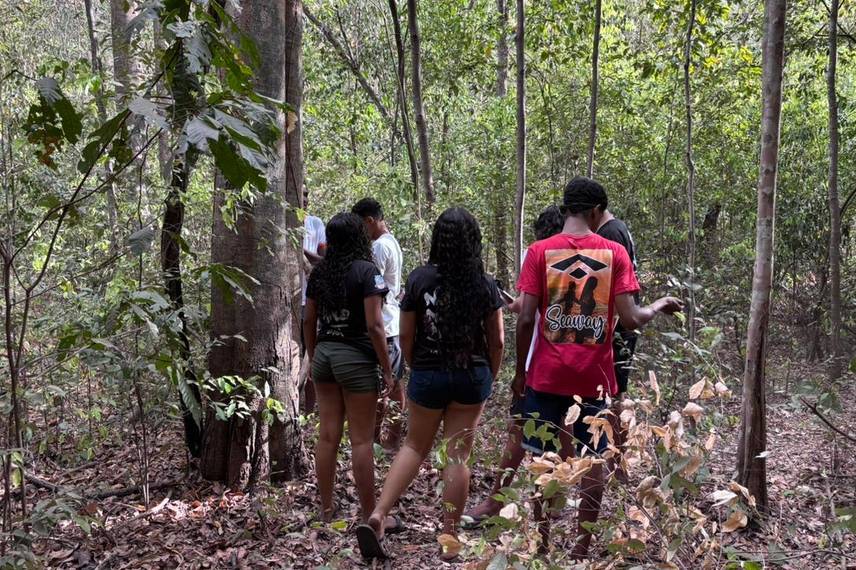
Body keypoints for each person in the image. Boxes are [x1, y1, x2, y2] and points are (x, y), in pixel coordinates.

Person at [514, 176, 683, 558]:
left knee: (541, 459)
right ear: (595, 211)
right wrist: (658, 305)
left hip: (544, 376)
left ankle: (541, 546)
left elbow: (525, 320)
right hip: (595, 380)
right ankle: (580, 547)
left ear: (566, 208)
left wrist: (519, 373)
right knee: (593, 459)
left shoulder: (539, 251)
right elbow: (631, 319)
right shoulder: (614, 254)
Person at [356, 208, 505, 561]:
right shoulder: (484, 284)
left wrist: (414, 363)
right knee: (457, 454)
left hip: (428, 372)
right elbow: (496, 340)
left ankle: (378, 514)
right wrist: (490, 376)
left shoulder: (421, 279)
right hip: (471, 375)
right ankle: (449, 538)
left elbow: (406, 332)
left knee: (413, 447)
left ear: (438, 239)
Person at [464, 205, 565, 525]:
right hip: (574, 363)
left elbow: (523, 312)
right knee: (562, 432)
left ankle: (500, 503)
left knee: (521, 430)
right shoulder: (584, 258)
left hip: (541, 363)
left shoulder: (537, 254)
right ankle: (554, 503)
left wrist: (520, 371)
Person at [303, 212, 397, 527]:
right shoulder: (367, 272)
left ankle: (326, 511)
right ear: (359, 238)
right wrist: (387, 368)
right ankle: (371, 515)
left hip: (325, 356)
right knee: (360, 440)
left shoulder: (320, 273)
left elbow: (308, 319)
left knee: (328, 436)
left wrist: (315, 353)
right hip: (356, 358)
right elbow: (374, 324)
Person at [351, 198, 406, 452]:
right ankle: (388, 440)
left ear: (369, 221)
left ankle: (381, 440)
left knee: (384, 386)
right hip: (390, 324)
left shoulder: (380, 248)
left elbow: (375, 287)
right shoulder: (390, 242)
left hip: (384, 324)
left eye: (362, 225)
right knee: (393, 384)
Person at [595, 206, 640, 480]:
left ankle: (618, 463)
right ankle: (616, 461)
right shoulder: (617, 228)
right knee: (614, 392)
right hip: (621, 321)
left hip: (619, 325)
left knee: (614, 393)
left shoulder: (610, 233)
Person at [299, 196, 327, 412]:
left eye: (308, 195)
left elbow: (324, 259)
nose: (305, 200)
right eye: (302, 195)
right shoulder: (282, 224)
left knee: (311, 353)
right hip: (288, 300)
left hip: (309, 298)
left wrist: (301, 252)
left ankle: (308, 410)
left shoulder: (316, 224)